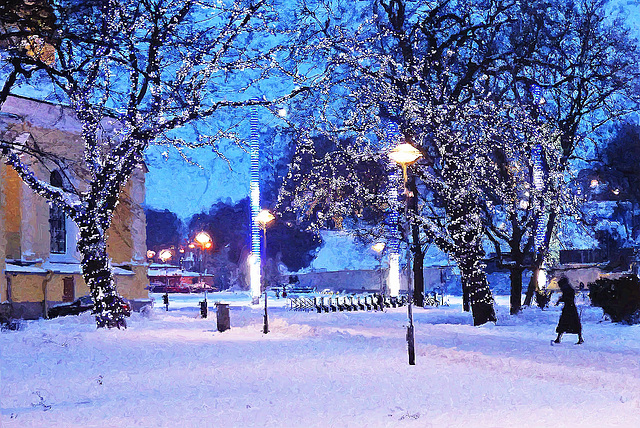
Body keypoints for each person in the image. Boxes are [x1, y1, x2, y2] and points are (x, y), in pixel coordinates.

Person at [554, 277, 584, 344]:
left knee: (564, 323)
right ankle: (579, 338)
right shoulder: (569, 289)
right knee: (574, 323)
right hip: (570, 308)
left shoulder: (567, 290)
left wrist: (561, 299)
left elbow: (568, 298)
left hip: (569, 308)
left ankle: (558, 338)